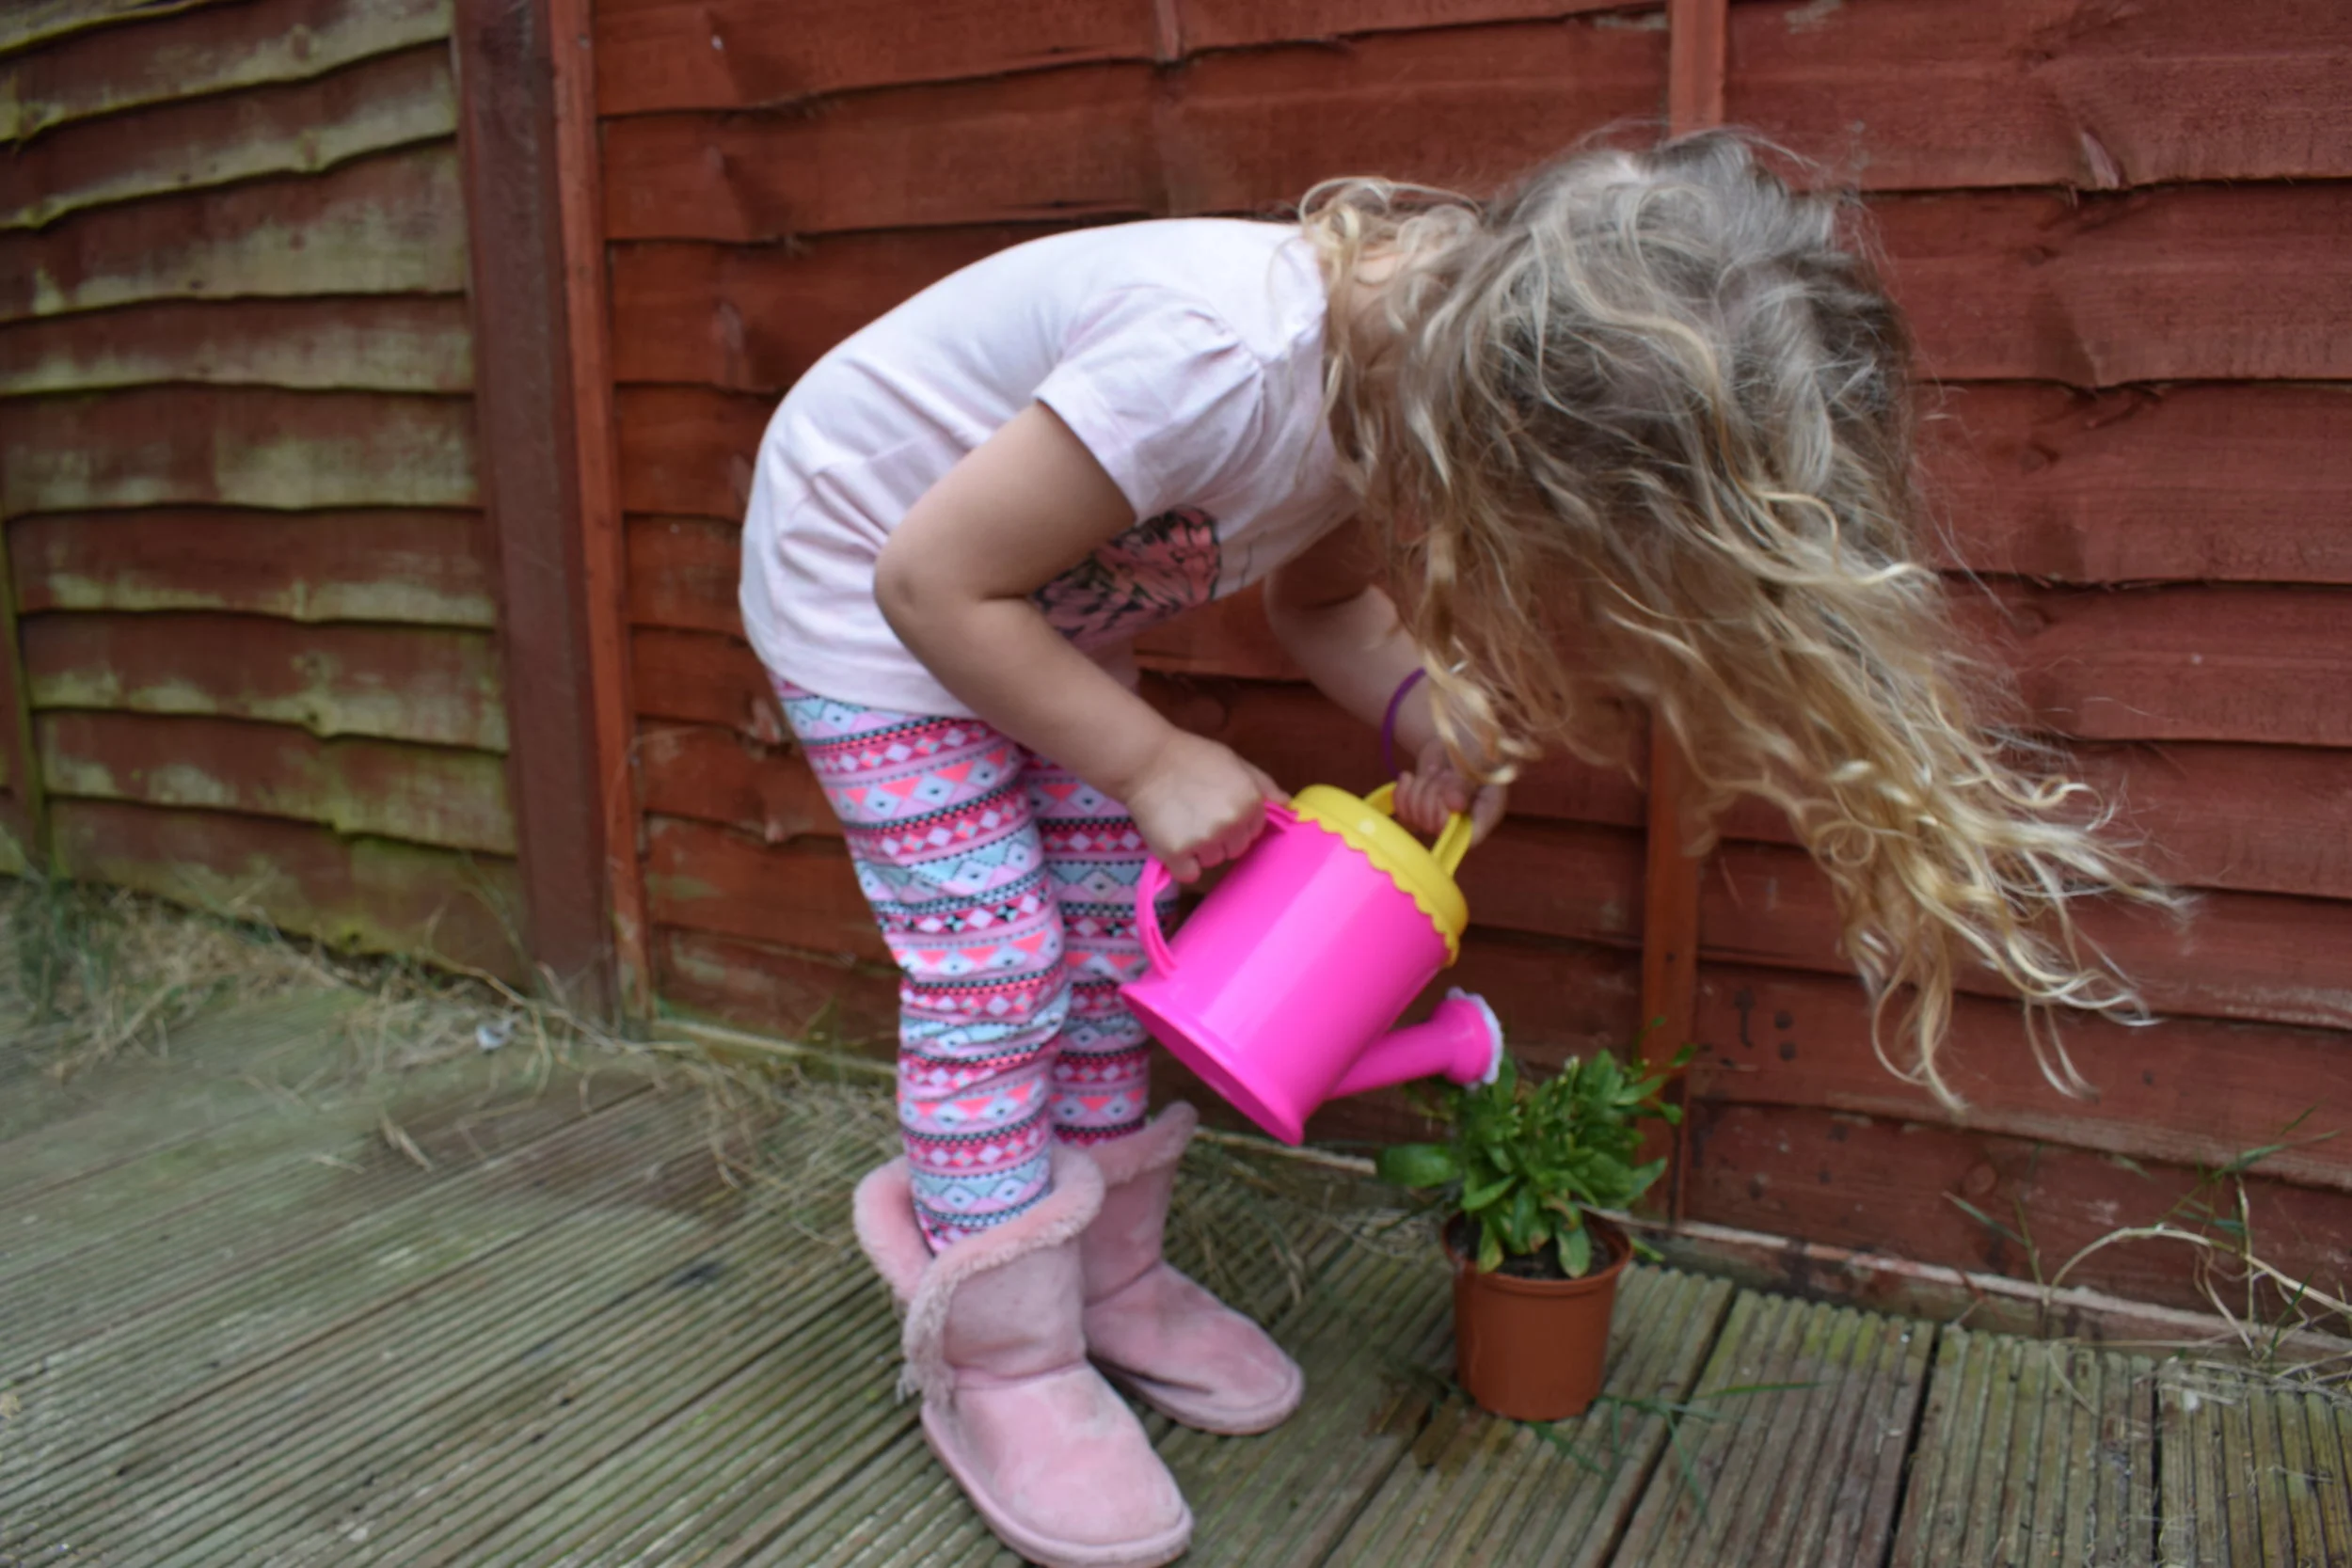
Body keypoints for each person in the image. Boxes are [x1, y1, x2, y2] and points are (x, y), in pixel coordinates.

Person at [737, 129, 2166, 1568]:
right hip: (871, 600)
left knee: (1116, 939)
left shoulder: (1393, 385)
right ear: (1506, 445)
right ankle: (1001, 1360)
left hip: (1021, 621)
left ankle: (1109, 1273)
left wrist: (1424, 702)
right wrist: (1153, 758)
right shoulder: (1215, 359)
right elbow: (930, 578)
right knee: (997, 967)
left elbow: (1321, 607)